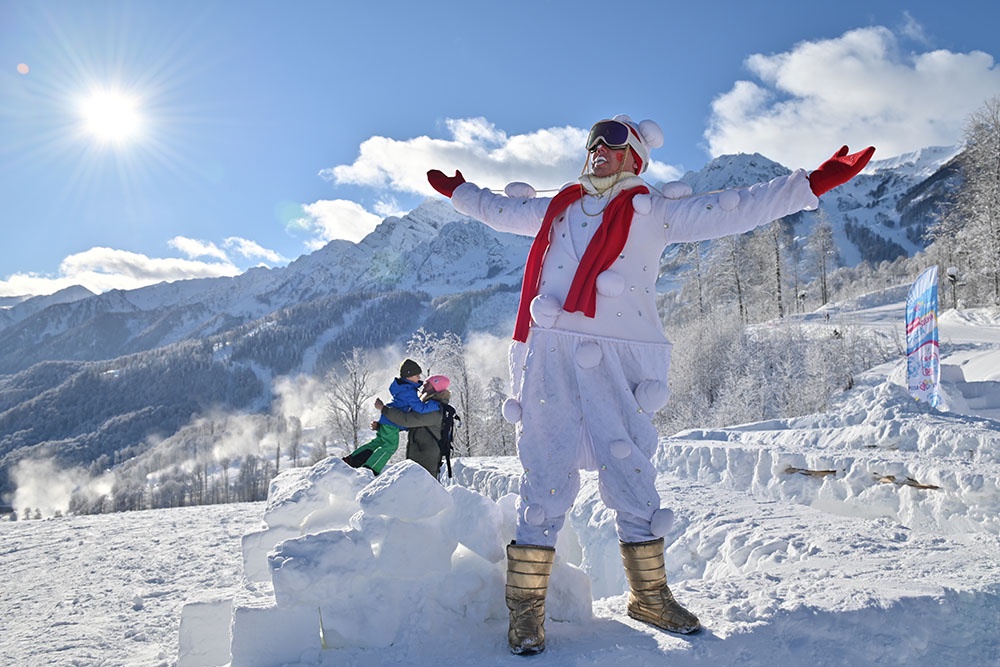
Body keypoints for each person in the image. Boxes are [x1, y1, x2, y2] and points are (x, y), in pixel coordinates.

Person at [427, 115, 874, 655]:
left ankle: (649, 595)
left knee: (630, 463)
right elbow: (500, 209)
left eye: (613, 144)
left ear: (635, 157)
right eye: (593, 143)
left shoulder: (656, 212)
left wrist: (809, 183)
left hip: (620, 355)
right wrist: (461, 191)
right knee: (544, 466)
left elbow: (734, 207)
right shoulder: (557, 206)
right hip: (549, 352)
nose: (598, 150)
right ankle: (526, 611)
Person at [342, 358, 441, 475]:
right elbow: (420, 408)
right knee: (390, 446)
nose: (419, 377)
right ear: (409, 376)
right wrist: (436, 404)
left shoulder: (403, 387)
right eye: (417, 375)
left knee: (378, 442)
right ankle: (370, 468)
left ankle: (352, 459)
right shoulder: (409, 391)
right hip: (391, 422)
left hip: (387, 420)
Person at [375, 374, 452, 478]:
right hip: (420, 454)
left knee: (424, 489)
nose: (423, 386)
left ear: (435, 388)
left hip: (426, 458)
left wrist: (384, 409)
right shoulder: (428, 406)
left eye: (427, 384)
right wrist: (383, 426)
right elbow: (411, 425)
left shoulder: (434, 409)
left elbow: (407, 420)